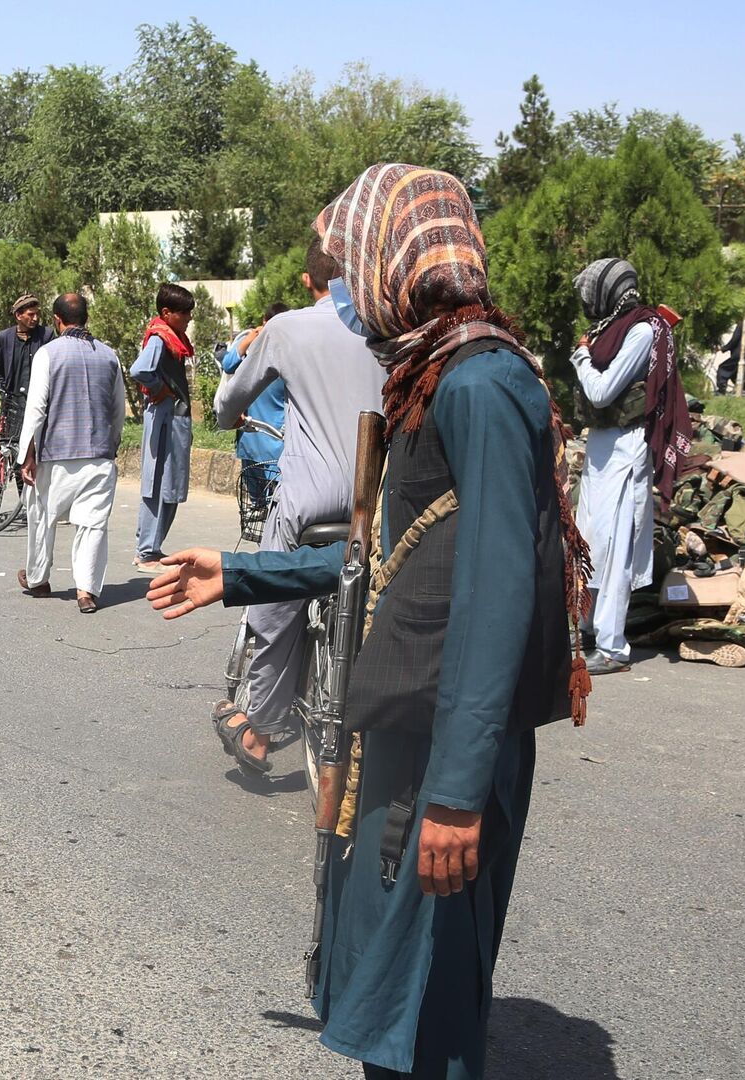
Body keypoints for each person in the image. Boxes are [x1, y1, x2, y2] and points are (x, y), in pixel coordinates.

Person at [149, 163, 592, 1080]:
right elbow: (395, 564)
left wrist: (459, 796)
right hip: (411, 737)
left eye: (357, 260)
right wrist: (238, 572)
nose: (352, 286)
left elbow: (498, 592)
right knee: (389, 989)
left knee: (425, 1007)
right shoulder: (437, 372)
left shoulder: (477, 383)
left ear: (399, 258)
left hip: (442, 754)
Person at [209, 241, 387, 773]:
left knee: (274, 593)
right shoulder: (387, 330)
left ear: (310, 282)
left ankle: (259, 729)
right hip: (376, 497)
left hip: (310, 501)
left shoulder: (286, 328)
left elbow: (225, 408)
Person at [569, 258, 689, 677]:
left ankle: (612, 647)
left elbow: (601, 391)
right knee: (590, 541)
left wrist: (581, 358)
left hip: (627, 449)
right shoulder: (610, 329)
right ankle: (584, 627)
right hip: (602, 447)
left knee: (617, 546)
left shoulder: (641, 330)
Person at [15, 292, 126, 614]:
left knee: (41, 516)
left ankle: (38, 580)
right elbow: (118, 409)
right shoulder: (109, 356)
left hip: (57, 455)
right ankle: (86, 591)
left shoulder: (48, 354)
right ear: (86, 319)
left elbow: (36, 409)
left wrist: (27, 454)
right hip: (100, 455)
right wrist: (112, 443)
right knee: (92, 525)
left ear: (57, 320)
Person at [129, 283, 196, 572]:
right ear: (167, 313)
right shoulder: (160, 338)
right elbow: (139, 370)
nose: (189, 319)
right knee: (158, 484)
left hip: (173, 418)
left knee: (169, 485)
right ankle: (147, 552)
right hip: (165, 419)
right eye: (184, 313)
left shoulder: (173, 337)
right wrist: (160, 388)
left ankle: (150, 548)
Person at [219, 303, 289, 509]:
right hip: (250, 441)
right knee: (258, 510)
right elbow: (228, 364)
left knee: (273, 507)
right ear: (264, 323)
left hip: (275, 442)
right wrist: (249, 339)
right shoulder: (250, 347)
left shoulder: (286, 352)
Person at [0, 294, 56, 434]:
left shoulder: (46, 335)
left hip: (40, 404)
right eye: (31, 314)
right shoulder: (4, 338)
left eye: (37, 314)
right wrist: (4, 392)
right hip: (14, 406)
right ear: (18, 316)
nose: (35, 318)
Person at [716, 314, 745, 394]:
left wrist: (723, 348)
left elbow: (734, 341)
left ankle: (721, 390)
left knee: (722, 368)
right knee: (734, 374)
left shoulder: (741, 326)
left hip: (740, 355)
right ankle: (744, 389)